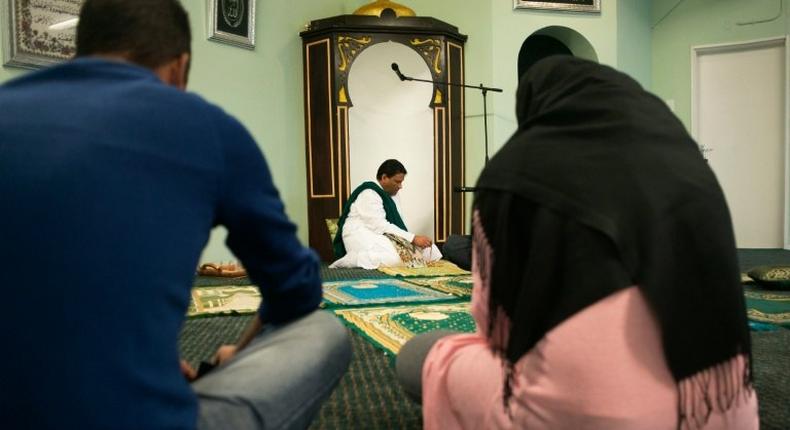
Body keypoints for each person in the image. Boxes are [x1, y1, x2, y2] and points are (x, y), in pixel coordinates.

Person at [0, 1, 350, 429]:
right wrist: (236, 354)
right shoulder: (208, 127)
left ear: (80, 51)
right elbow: (296, 290)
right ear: (179, 67)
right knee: (324, 333)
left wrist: (153, 361)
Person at [396, 56, 758, 429]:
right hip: (717, 402)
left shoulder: (515, 171)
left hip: (585, 414)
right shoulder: (689, 167)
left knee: (421, 354)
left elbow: (495, 327)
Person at [330, 159, 442, 269]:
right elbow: (379, 225)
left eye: (401, 182)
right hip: (360, 234)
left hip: (381, 235)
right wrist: (413, 238)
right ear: (384, 178)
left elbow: (395, 224)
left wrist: (410, 240)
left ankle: (373, 256)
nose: (400, 186)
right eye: (397, 182)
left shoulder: (392, 195)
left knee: (430, 250)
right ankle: (352, 259)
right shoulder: (369, 193)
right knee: (397, 258)